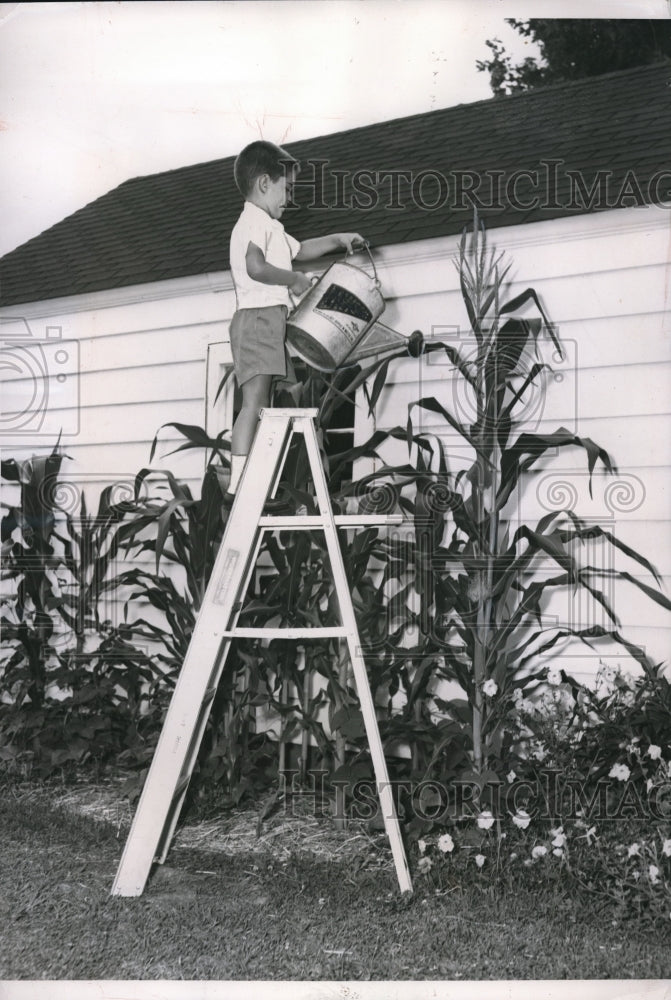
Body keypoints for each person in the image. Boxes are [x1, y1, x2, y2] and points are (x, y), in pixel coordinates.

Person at [225, 140, 364, 508]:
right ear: (264, 184)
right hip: (256, 320)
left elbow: (300, 250)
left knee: (273, 400)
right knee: (253, 402)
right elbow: (256, 267)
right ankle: (238, 488)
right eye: (286, 189)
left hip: (271, 321)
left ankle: (259, 479)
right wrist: (294, 281)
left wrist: (338, 239)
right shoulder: (253, 221)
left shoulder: (270, 224)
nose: (289, 198)